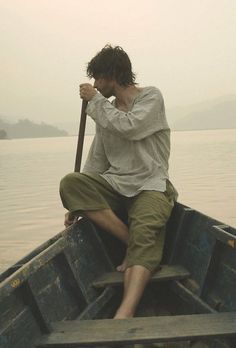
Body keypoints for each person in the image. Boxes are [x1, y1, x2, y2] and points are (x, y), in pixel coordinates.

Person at [59, 44, 178, 319]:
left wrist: (95, 102)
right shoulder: (105, 112)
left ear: (112, 74)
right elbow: (96, 163)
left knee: (146, 231)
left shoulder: (151, 97)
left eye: (98, 78)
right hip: (116, 185)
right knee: (71, 183)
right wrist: (76, 204)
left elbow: (131, 126)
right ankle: (129, 241)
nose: (96, 85)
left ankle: (124, 313)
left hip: (151, 185)